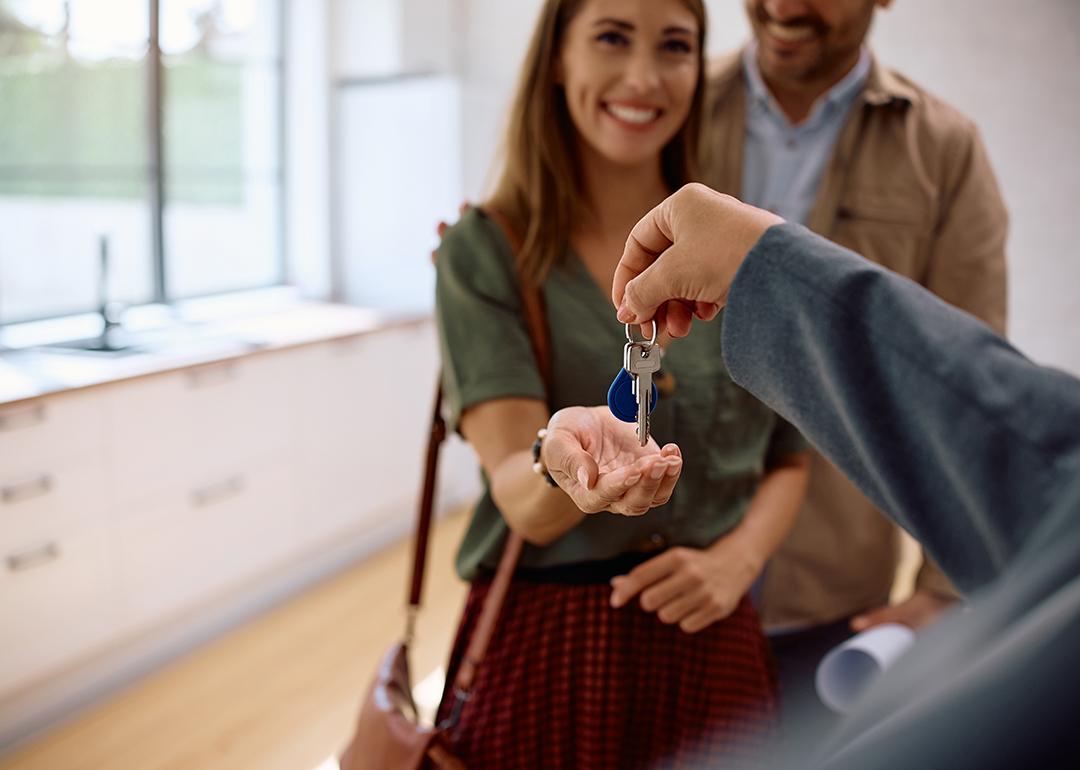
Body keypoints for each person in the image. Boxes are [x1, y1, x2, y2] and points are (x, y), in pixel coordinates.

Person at [540, 182, 1080, 769]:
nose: (646, 85)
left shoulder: (939, 149)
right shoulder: (505, 241)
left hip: (821, 600)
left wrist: (938, 593)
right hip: (598, 635)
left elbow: (1021, 443)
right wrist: (548, 453)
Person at [433, 2, 811, 767]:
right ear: (559, 60)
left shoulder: (747, 247)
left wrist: (739, 561)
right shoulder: (485, 251)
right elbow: (518, 495)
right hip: (553, 653)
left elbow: (790, 457)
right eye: (611, 36)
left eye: (675, 46)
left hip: (716, 642)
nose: (643, 77)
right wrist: (560, 464)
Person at [697, 0, 1010, 741]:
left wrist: (941, 589)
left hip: (833, 590)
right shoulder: (671, 106)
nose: (783, 6)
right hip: (669, 564)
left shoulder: (943, 148)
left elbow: (967, 377)